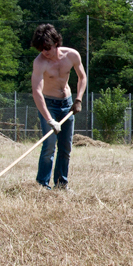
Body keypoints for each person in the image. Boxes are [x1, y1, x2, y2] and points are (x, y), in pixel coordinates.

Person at [30, 24, 87, 190]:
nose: (45, 52)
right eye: (41, 49)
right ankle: (42, 185)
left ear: (56, 42)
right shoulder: (40, 63)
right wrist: (50, 120)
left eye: (47, 48)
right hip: (49, 105)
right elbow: (36, 92)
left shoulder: (72, 55)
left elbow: (82, 77)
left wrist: (78, 99)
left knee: (65, 147)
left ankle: (61, 185)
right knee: (49, 146)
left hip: (67, 105)